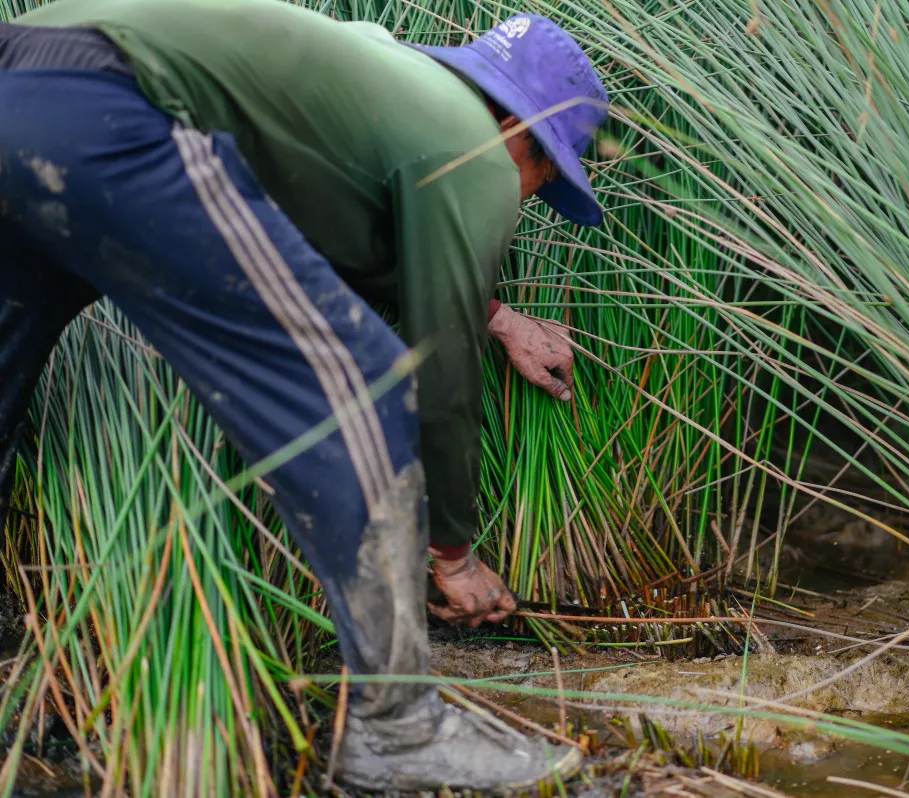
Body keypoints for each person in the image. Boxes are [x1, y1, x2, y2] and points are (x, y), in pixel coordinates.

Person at [0, 0, 607, 791]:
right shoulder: (476, 153)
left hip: (26, 80)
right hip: (113, 114)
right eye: (544, 178)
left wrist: (494, 316)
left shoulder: (381, 71)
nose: (524, 198)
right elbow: (439, 372)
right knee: (368, 392)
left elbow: (309, 238)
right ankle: (399, 730)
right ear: (521, 135)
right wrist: (452, 553)